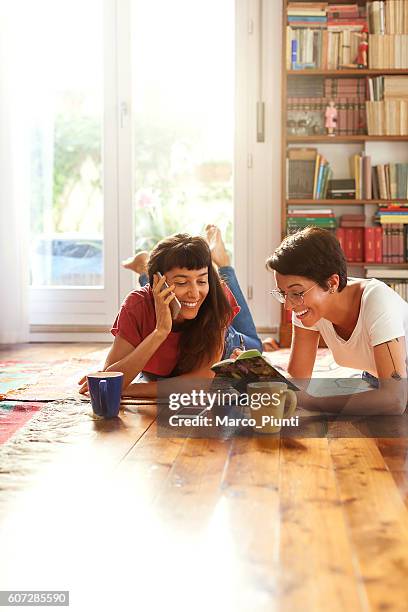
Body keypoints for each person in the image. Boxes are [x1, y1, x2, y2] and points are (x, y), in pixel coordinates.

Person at [79, 226, 261, 398]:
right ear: (159, 281)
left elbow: (200, 382)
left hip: (230, 345)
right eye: (181, 282)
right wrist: (160, 332)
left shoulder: (215, 295)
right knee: (159, 299)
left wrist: (129, 389)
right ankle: (146, 269)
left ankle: (224, 263)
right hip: (158, 309)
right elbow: (110, 377)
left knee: (256, 347)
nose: (195, 293)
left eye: (202, 281)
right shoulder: (136, 305)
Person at [266, 227, 408, 415]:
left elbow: (395, 400)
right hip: (377, 381)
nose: (288, 306)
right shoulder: (307, 309)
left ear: (332, 283)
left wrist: (315, 403)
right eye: (284, 294)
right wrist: (259, 376)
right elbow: (297, 383)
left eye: (297, 293)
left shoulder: (377, 300)